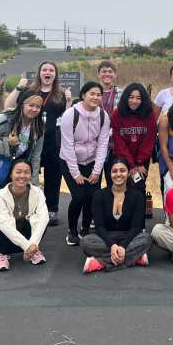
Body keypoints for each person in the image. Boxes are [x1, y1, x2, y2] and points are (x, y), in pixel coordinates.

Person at [4, 61, 72, 226]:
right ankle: (26, 208)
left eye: (51, 70)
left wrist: (69, 102)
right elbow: (8, 106)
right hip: (30, 139)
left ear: (55, 75)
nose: (47, 72)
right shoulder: (29, 91)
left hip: (52, 141)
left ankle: (51, 209)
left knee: (53, 176)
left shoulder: (61, 94)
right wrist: (19, 87)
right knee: (26, 173)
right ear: (39, 73)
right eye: (44, 69)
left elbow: (67, 118)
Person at [0, 89, 45, 225]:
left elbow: (35, 157)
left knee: (16, 201)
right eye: (31, 105)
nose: (34, 109)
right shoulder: (3, 119)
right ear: (21, 104)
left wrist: (34, 184)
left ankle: (13, 232)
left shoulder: (39, 126)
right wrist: (7, 143)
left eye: (38, 107)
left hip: (18, 170)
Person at [59, 81, 111, 247]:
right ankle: (72, 231)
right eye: (92, 94)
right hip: (70, 160)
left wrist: (97, 170)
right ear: (83, 95)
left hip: (92, 160)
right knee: (79, 196)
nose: (95, 97)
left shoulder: (103, 116)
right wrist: (76, 173)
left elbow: (103, 143)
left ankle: (86, 228)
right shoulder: (70, 114)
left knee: (93, 197)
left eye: (98, 94)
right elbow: (67, 145)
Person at [80, 158, 152, 272]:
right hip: (105, 237)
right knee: (85, 242)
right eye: (114, 171)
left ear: (129, 173)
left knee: (147, 239)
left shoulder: (137, 196)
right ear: (110, 174)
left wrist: (123, 246)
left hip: (129, 236)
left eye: (122, 170)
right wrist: (112, 245)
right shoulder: (99, 195)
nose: (118, 174)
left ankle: (101, 262)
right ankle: (134, 258)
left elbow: (136, 227)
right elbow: (99, 227)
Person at [0, 158, 49, 271]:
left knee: (42, 221)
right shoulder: (0, 196)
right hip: (6, 238)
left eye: (27, 172)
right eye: (18, 172)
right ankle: (2, 254)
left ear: (31, 175)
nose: (22, 176)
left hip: (28, 237)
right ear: (11, 175)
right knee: (0, 226)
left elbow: (44, 217)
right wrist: (27, 247)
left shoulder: (37, 192)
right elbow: (5, 225)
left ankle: (34, 251)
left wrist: (32, 245)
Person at [110, 82, 157, 194]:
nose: (134, 101)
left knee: (139, 186)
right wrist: (130, 165)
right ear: (126, 98)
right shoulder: (117, 114)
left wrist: (139, 163)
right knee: (120, 186)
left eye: (138, 98)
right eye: (131, 97)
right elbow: (119, 142)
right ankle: (121, 211)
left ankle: (139, 211)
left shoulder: (149, 114)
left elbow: (149, 140)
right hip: (123, 159)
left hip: (142, 161)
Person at [97, 60, 123, 186]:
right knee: (94, 180)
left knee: (112, 179)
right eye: (104, 71)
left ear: (115, 74)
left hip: (114, 143)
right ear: (99, 74)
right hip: (95, 142)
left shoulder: (122, 93)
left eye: (110, 71)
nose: (107, 74)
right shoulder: (93, 93)